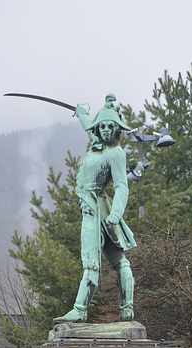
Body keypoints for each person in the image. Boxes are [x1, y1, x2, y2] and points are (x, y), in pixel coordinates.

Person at [53, 94, 136, 324]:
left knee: (95, 261)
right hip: (93, 207)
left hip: (96, 209)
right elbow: (89, 127)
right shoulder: (97, 144)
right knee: (119, 260)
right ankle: (125, 307)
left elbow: (121, 187)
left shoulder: (115, 153)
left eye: (111, 126)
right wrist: (82, 114)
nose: (107, 130)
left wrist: (116, 214)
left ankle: (83, 309)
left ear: (116, 129)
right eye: (103, 126)